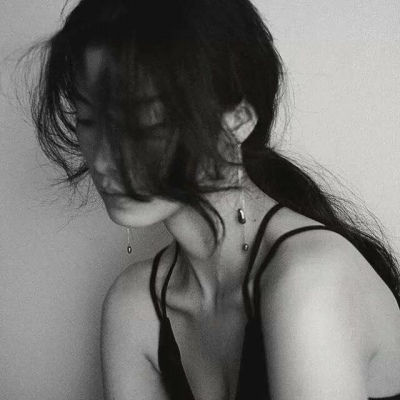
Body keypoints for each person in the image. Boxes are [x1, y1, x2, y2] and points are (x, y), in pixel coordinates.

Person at [18, 0, 400, 398]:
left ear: (238, 121)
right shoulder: (136, 305)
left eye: (142, 124)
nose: (102, 159)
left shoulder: (309, 279)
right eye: (88, 119)